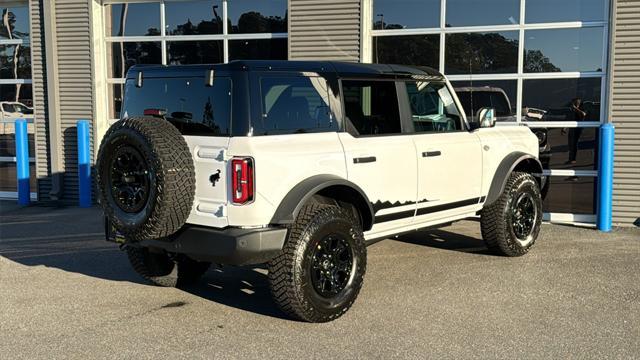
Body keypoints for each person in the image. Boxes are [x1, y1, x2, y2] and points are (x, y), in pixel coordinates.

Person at [565, 98, 587, 165]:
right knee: (570, 143)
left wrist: (576, 108)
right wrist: (564, 128)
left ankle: (573, 159)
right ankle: (570, 159)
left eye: (577, 101)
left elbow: (583, 114)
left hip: (578, 129)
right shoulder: (571, 109)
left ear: (579, 102)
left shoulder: (582, 108)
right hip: (572, 128)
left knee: (574, 143)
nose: (576, 102)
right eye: (574, 102)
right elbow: (568, 119)